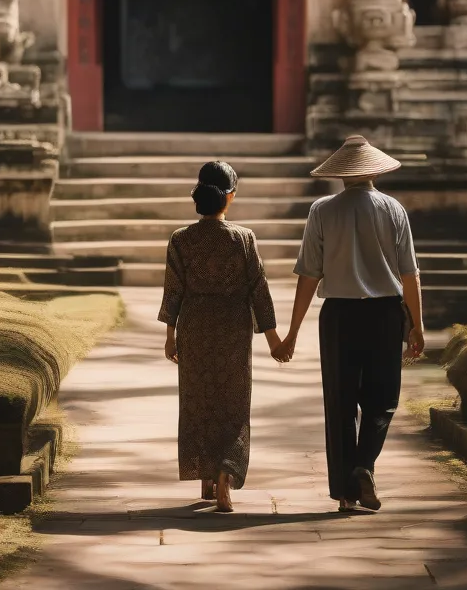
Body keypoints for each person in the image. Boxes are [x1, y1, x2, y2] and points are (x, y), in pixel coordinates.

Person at [274, 135, 425, 513]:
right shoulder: (393, 210)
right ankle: (364, 466)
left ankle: (345, 492)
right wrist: (417, 326)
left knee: (340, 404)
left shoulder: (322, 211)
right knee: (383, 401)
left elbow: (308, 276)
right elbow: (410, 275)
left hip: (339, 316)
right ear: (374, 171)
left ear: (340, 175)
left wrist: (292, 332)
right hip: (385, 313)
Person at [159, 160, 283, 513]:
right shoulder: (243, 238)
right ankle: (227, 475)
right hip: (232, 330)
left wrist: (170, 336)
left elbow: (173, 291)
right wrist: (274, 340)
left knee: (199, 401)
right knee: (233, 403)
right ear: (229, 197)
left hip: (194, 328)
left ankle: (208, 477)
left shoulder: (181, 239)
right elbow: (259, 290)